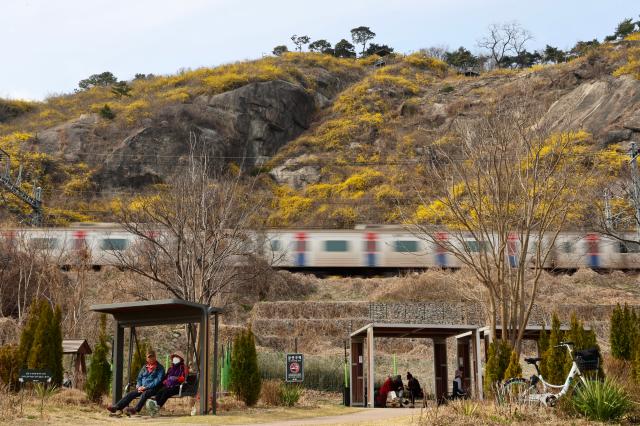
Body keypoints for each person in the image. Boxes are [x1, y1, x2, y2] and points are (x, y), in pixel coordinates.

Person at [107, 350, 165, 416]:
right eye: (149, 357)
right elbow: (139, 378)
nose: (151, 358)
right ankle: (117, 407)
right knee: (131, 394)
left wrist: (146, 387)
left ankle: (136, 410)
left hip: (153, 388)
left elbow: (157, 380)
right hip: (142, 387)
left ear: (155, 357)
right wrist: (139, 385)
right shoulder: (144, 368)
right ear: (147, 358)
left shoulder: (160, 368)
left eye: (152, 357)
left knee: (145, 394)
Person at [146, 351, 187, 416]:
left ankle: (156, 408)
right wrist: (165, 381)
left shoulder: (183, 367)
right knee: (159, 392)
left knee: (166, 392)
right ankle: (154, 407)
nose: (175, 359)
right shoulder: (170, 369)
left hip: (177, 386)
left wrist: (177, 378)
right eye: (174, 357)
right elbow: (165, 377)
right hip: (168, 385)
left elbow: (184, 378)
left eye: (177, 357)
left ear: (180, 359)